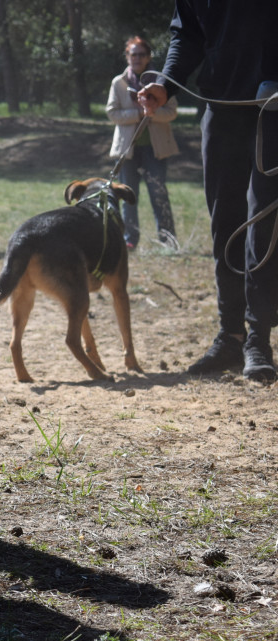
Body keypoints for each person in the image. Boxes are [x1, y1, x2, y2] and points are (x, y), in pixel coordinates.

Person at [139, 2, 278, 384]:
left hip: (273, 106)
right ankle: (230, 334)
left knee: (262, 222)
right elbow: (189, 35)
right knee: (225, 221)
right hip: (220, 107)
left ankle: (259, 340)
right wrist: (165, 85)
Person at [107, 36, 179, 250]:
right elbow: (112, 113)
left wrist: (151, 112)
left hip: (155, 148)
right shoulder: (118, 82)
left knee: (158, 193)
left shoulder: (161, 81)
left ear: (148, 57)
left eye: (141, 54)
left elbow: (171, 111)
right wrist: (138, 112)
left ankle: (167, 240)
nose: (137, 58)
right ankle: (130, 239)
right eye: (133, 54)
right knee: (128, 195)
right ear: (127, 57)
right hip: (128, 149)